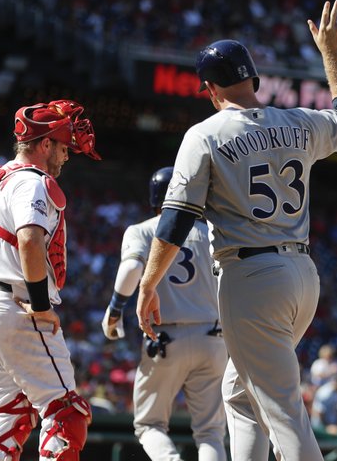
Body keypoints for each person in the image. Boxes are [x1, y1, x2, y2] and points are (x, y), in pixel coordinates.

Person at [136, 0, 337, 461]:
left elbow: (177, 218)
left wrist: (148, 284)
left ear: (208, 89)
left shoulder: (206, 134)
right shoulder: (300, 121)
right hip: (302, 274)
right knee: (240, 393)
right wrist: (331, 54)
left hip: (252, 277)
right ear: (255, 79)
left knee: (281, 407)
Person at [0, 100, 100, 460]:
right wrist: (39, 304)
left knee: (10, 413)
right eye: (64, 147)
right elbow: (29, 239)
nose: (66, 156)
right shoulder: (32, 181)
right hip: (17, 304)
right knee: (66, 412)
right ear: (45, 144)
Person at [101, 166, 227, 461]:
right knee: (210, 432)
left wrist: (116, 308)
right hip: (214, 336)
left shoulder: (143, 230)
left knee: (149, 424)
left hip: (166, 336)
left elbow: (132, 268)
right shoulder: (212, 232)